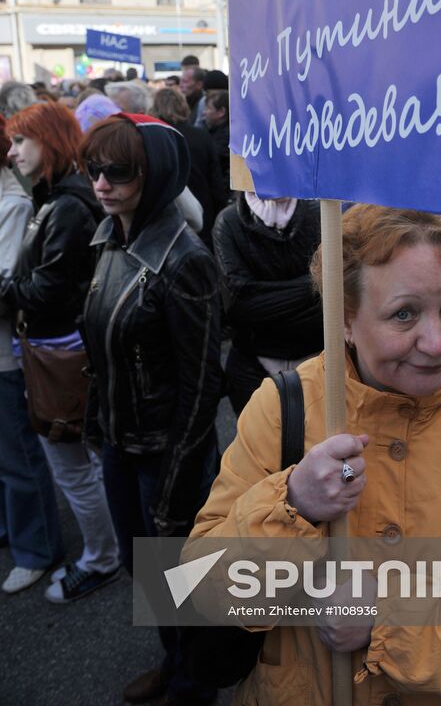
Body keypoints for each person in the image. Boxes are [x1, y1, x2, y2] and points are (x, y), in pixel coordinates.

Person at [190, 205, 441, 705]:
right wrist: (291, 504)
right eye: (404, 314)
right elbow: (203, 589)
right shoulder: (283, 408)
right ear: (345, 319)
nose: (436, 343)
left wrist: (387, 621)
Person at [80, 113, 223, 706]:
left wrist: (174, 479)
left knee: (182, 579)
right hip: (122, 442)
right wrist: (98, 427)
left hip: (168, 452)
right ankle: (173, 664)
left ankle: (194, 685)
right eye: (94, 169)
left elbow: (201, 384)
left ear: (155, 174)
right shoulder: (111, 239)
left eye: (119, 171)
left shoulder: (184, 259)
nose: (102, 182)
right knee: (149, 573)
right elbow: (106, 352)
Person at [0, 102, 120, 603]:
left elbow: (46, 289)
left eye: (22, 141)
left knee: (75, 464)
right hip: (59, 347)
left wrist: (10, 288)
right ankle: (107, 553)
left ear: (48, 141)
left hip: (61, 351)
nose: (12, 151)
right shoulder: (58, 197)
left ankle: (102, 558)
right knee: (82, 461)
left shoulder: (67, 203)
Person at [0, 115, 64, 594]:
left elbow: (16, 288)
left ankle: (37, 547)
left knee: (24, 456)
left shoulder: (17, 204)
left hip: (13, 354)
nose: (13, 150)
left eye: (22, 140)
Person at [213, 193, 324, 414]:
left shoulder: (320, 213)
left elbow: (338, 290)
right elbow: (240, 305)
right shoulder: (229, 223)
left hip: (318, 362)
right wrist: (316, 283)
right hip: (253, 366)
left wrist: (265, 300)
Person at [152, 87, 226, 247]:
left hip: (171, 223)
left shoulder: (155, 140)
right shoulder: (202, 135)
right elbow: (216, 181)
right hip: (206, 217)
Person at [202, 84, 230, 208]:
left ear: (221, 112)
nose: (204, 112)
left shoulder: (226, 137)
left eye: (208, 108)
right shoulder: (215, 132)